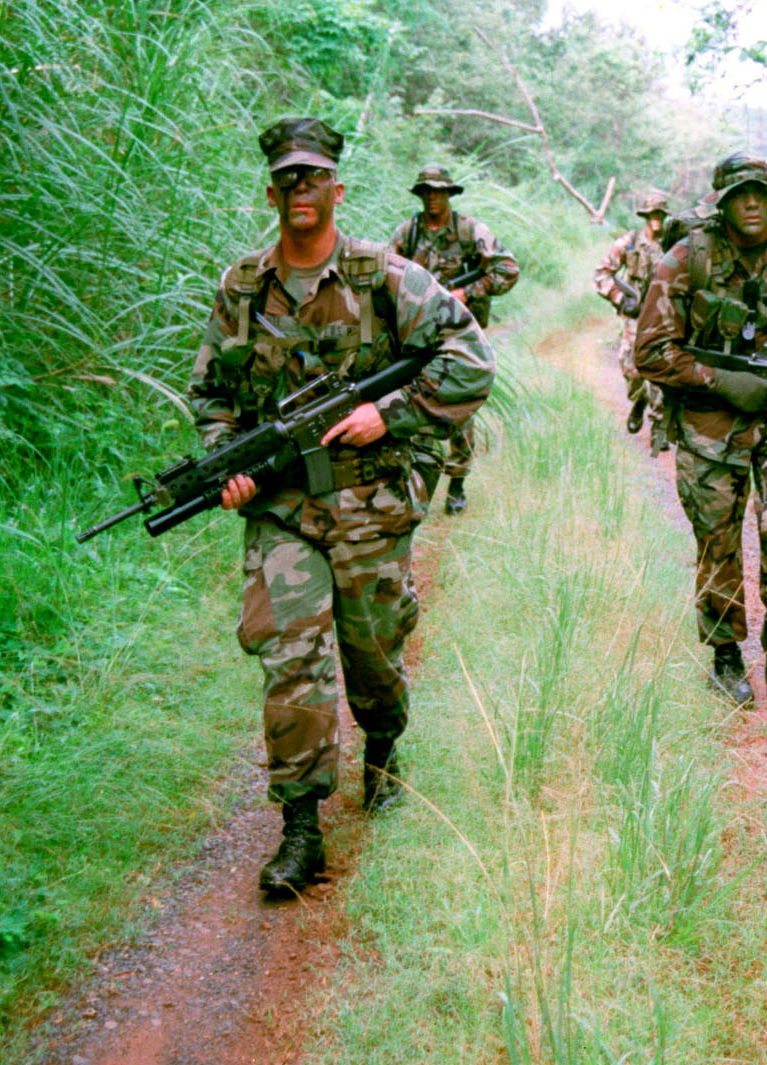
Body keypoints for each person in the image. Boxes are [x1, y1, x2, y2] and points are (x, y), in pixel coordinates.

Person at [189, 118, 495, 901]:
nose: (300, 190)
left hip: (370, 501)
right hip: (285, 509)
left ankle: (383, 751)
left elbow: (469, 360)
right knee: (291, 660)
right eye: (287, 180)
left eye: (312, 178)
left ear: (337, 189)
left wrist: (391, 414)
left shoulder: (384, 277)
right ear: (271, 192)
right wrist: (233, 462)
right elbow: (212, 397)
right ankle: (300, 829)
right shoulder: (241, 288)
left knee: (374, 656)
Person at [635, 152, 767, 705]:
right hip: (711, 424)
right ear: (722, 202)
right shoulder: (687, 260)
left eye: (761, 191)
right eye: (740, 194)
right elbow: (651, 352)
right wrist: (720, 381)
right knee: (718, 540)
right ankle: (726, 653)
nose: (752, 202)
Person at [390, 164, 520, 514]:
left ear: (449, 194)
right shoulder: (407, 234)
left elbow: (508, 270)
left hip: (460, 335)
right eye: (427, 191)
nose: (433, 197)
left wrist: (466, 291)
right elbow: (387, 277)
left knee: (458, 407)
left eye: (439, 191)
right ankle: (412, 482)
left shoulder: (470, 230)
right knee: (411, 401)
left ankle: (457, 483)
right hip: (416, 334)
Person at [592, 188, 672, 450]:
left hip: (664, 316)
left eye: (660, 213)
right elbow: (602, 273)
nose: (656, 219)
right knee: (632, 369)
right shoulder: (629, 242)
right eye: (652, 214)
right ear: (645, 216)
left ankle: (659, 426)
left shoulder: (674, 245)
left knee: (662, 371)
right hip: (635, 316)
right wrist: (619, 297)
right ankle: (640, 400)